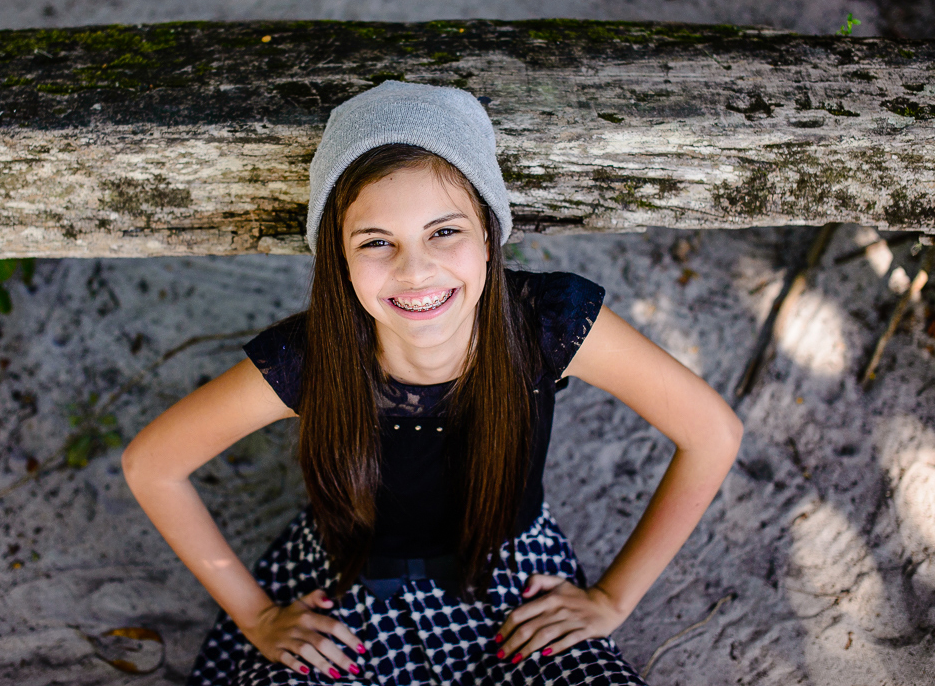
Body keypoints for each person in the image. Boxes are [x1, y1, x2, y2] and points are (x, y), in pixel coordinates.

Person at [121, 80, 743, 685]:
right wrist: (256, 615)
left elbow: (711, 433)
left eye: (444, 231)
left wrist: (612, 597)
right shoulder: (310, 359)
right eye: (376, 242)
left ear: (489, 233)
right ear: (337, 256)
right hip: (344, 592)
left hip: (515, 587)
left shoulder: (547, 323)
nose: (416, 272)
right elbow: (153, 464)